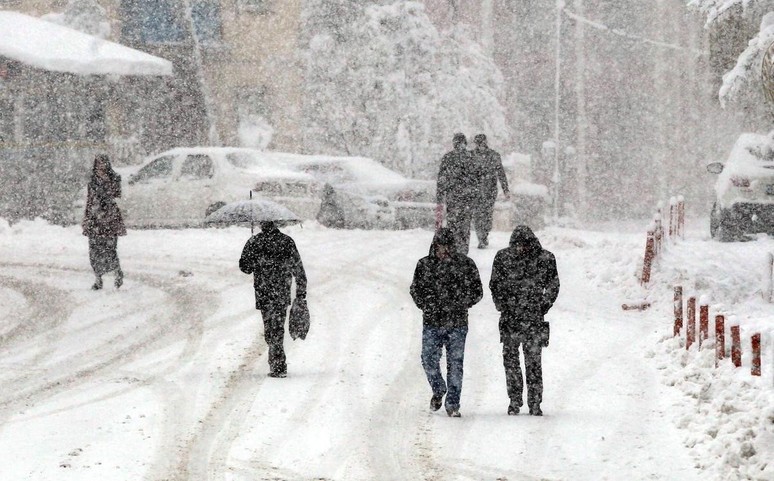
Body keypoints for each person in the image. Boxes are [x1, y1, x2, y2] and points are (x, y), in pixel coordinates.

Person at [410, 228, 482, 417]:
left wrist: (462, 303)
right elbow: (415, 289)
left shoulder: (465, 265)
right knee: (428, 360)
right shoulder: (424, 265)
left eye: (448, 247)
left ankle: (453, 404)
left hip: (457, 323)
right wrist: (425, 305)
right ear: (435, 246)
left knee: (455, 364)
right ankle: (439, 388)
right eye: (441, 247)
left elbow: (477, 291)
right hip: (432, 322)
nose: (444, 251)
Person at [489, 225, 559, 416]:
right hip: (511, 318)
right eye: (517, 246)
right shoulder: (503, 258)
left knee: (533, 362)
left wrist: (543, 305)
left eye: (523, 245)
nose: (520, 249)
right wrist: (502, 305)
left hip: (533, 319)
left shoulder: (545, 259)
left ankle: (535, 402)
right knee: (511, 362)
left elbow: (553, 285)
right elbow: (494, 285)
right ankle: (515, 400)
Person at [239, 221, 307, 378]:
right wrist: (301, 292)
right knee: (277, 327)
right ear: (276, 224)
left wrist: (253, 258)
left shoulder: (255, 242)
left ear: (262, 225)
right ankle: (277, 362)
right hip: (281, 292)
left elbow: (245, 268)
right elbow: (298, 268)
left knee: (270, 328)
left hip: (263, 292)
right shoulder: (286, 241)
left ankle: (277, 363)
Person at [82, 154, 126, 290]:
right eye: (98, 164)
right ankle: (98, 278)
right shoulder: (92, 181)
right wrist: (87, 217)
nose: (100, 167)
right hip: (95, 220)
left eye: (103, 164)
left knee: (110, 249)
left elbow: (116, 196)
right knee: (94, 250)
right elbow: (90, 201)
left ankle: (117, 272)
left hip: (110, 218)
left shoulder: (114, 179)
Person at [436, 133, 478, 254]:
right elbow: (477, 179)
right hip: (467, 199)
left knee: (453, 225)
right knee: (465, 226)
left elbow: (441, 179)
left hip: (452, 198)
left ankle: (453, 249)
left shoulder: (448, 158)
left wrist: (440, 197)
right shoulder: (471, 157)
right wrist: (474, 195)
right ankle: (463, 251)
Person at [471, 134, 510, 249]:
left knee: (487, 214)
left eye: (481, 143)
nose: (480, 146)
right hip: (475, 191)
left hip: (489, 190)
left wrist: (505, 189)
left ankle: (485, 234)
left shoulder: (494, 156)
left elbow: (501, 173)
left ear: (485, 143)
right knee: (477, 215)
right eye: (478, 143)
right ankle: (481, 237)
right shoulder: (471, 156)